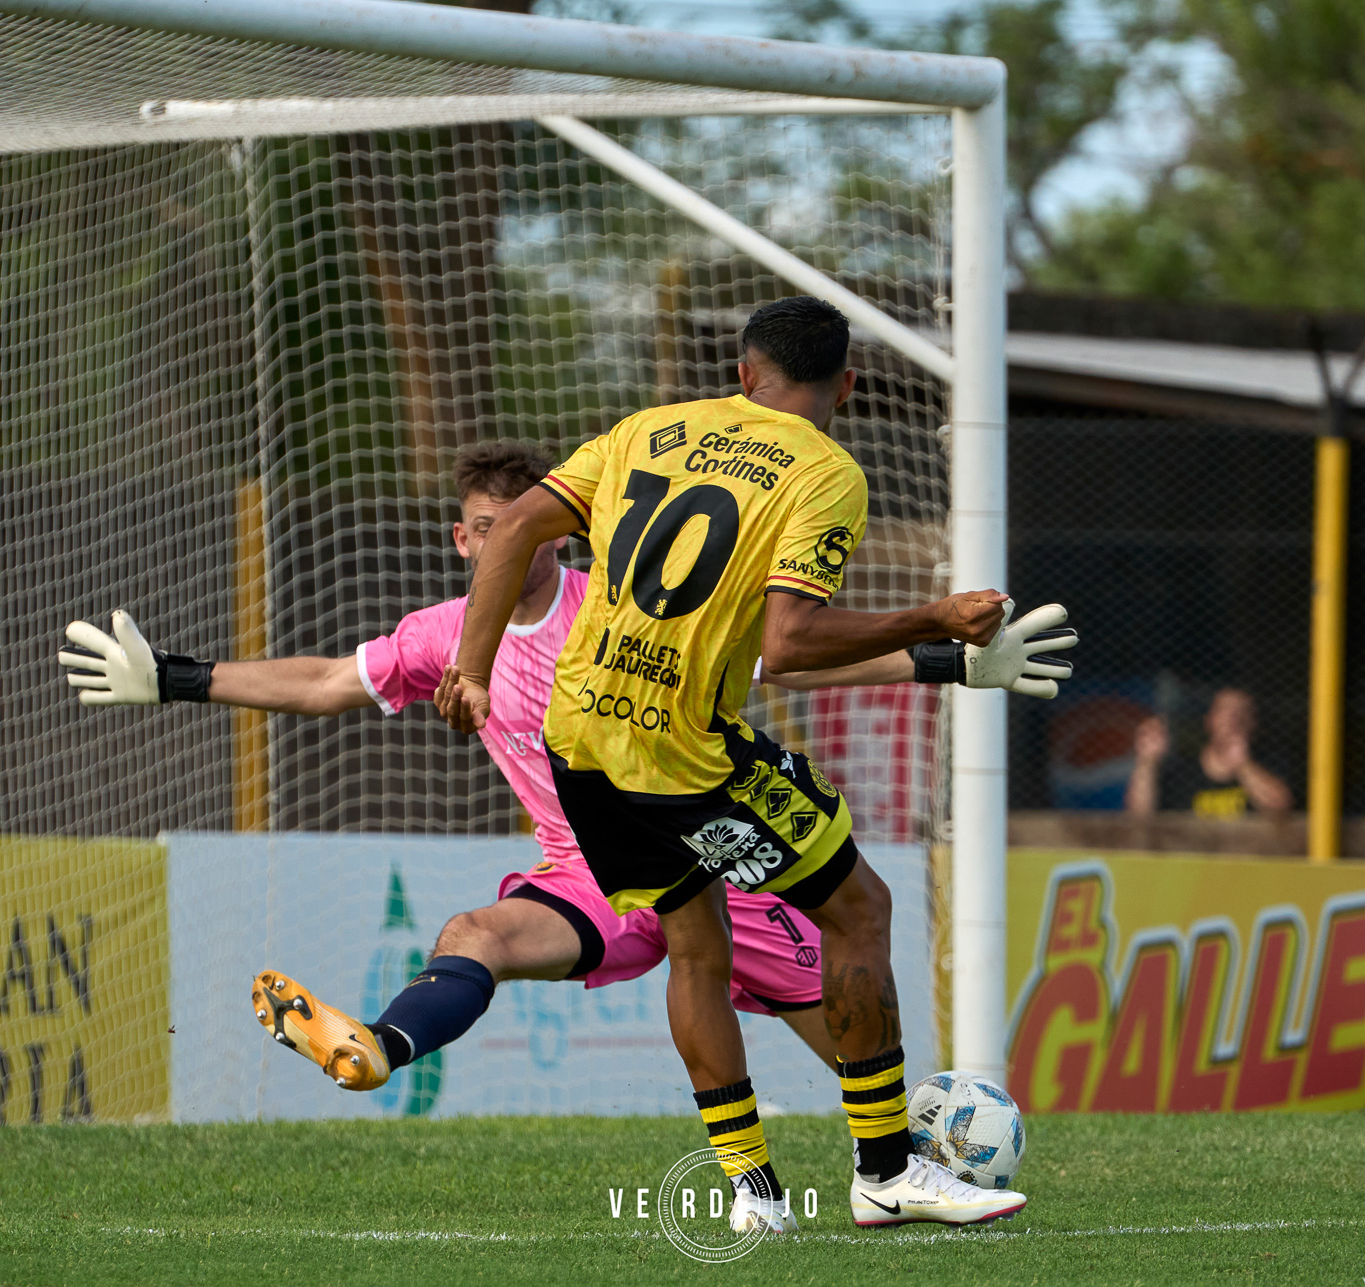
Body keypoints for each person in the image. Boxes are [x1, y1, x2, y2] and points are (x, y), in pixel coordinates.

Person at [58, 427, 1075, 1231]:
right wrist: (176, 679)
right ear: (461, 541)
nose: (488, 539)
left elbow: (788, 660)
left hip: (722, 866)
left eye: (510, 522)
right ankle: (377, 1048)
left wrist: (948, 664)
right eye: (472, 527)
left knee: (854, 1045)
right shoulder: (444, 637)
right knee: (476, 937)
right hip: (592, 875)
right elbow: (327, 682)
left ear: (557, 532)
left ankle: (915, 1153)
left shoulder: (623, 610)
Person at [434, 297, 1074, 1232]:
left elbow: (522, 524)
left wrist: (473, 666)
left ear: (743, 373)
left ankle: (754, 1194)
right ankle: (886, 1171)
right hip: (683, 749)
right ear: (847, 387)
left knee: (697, 946)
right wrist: (936, 618)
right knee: (862, 908)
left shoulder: (647, 430)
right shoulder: (825, 470)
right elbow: (797, 639)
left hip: (578, 741)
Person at [1123, 687, 1292, 819]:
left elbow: (1280, 808)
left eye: (1241, 712)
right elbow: (1139, 817)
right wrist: (1147, 762)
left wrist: (1243, 766)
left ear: (1253, 723)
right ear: (1209, 720)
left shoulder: (1268, 763)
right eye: (1224, 711)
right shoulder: (1181, 773)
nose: (1232, 719)